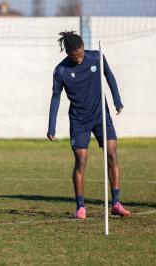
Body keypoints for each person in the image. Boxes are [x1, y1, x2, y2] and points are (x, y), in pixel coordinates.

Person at [47, 31, 131, 219]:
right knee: (81, 161)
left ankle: (116, 203)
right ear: (67, 52)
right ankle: (81, 207)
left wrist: (117, 100)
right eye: (74, 56)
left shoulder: (96, 57)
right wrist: (51, 126)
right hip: (79, 121)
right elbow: (55, 98)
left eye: (81, 54)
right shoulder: (60, 71)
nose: (79, 58)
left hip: (102, 116)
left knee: (112, 155)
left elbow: (109, 75)